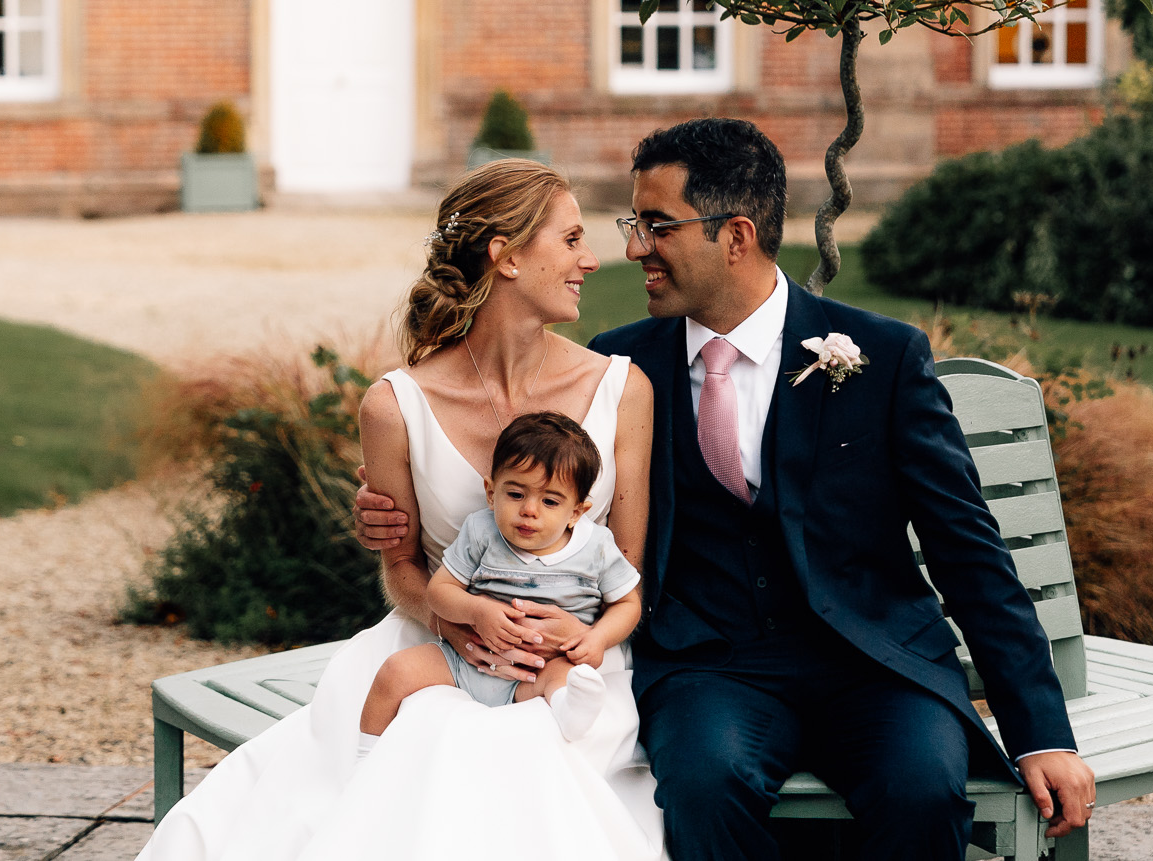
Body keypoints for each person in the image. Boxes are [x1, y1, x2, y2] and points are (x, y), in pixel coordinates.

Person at [357, 118, 1098, 861]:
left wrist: (1041, 733)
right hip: (709, 668)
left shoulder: (883, 356)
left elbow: (969, 551)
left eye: (657, 226)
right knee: (704, 786)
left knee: (922, 790)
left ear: (736, 235)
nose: (634, 248)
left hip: (875, 664)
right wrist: (395, 507)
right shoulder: (620, 369)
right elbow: (536, 486)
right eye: (634, 225)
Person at [141, 159, 663, 861]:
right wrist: (461, 621)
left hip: (571, 662)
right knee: (425, 744)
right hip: (435, 649)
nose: (592, 259)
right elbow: (402, 571)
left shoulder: (622, 390)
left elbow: (626, 565)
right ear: (505, 256)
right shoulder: (395, 406)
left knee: (517, 767)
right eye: (571, 240)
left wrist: (583, 636)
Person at [358, 410, 643, 745]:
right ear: (491, 493)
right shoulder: (482, 531)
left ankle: (570, 712)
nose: (529, 510)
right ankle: (366, 754)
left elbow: (627, 603)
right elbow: (440, 590)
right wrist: (477, 611)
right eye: (516, 494)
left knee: (567, 682)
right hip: (466, 658)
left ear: (576, 512)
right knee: (395, 671)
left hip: (542, 666)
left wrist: (598, 638)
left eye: (550, 501)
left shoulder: (595, 547)